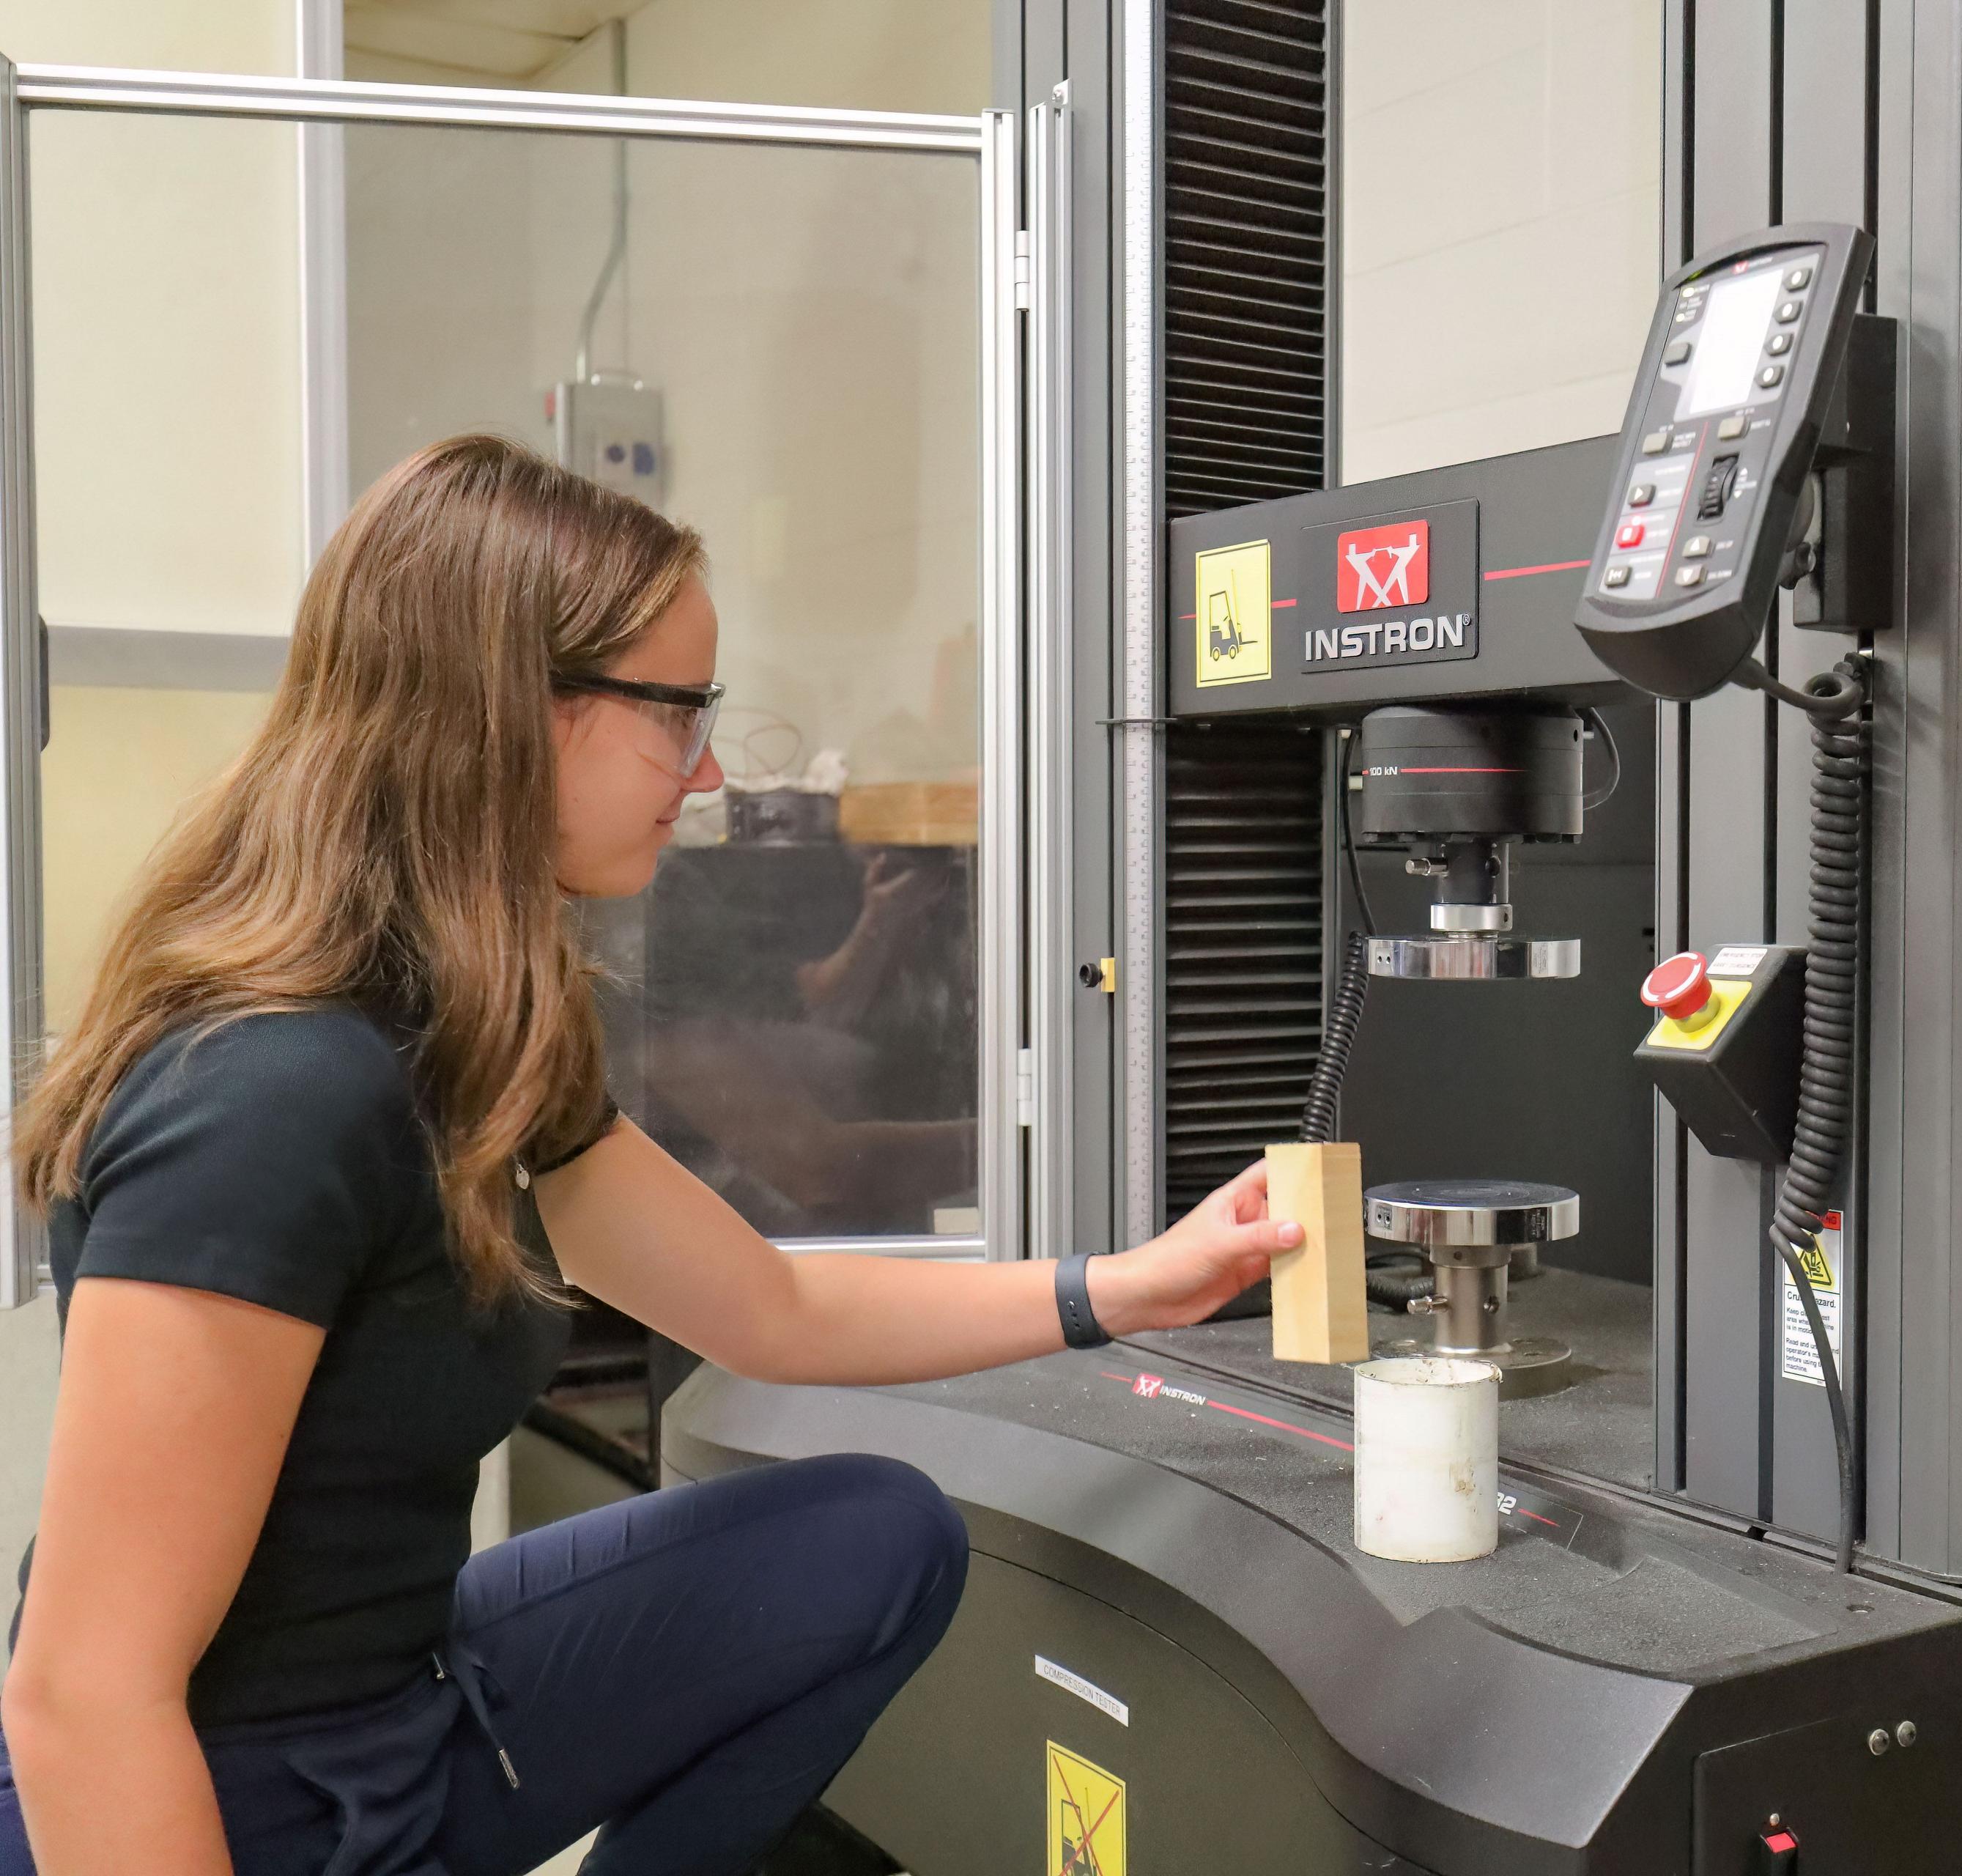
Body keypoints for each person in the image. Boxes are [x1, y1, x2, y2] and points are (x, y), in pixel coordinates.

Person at [0, 435, 1302, 1875]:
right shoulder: (268, 1090)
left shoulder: (477, 1024)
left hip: (416, 1710)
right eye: (678, 712)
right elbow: (84, 1698)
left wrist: (1133, 1283)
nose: (712, 764)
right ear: (515, 711)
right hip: (226, 1805)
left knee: (877, 1536)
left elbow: (770, 1309)